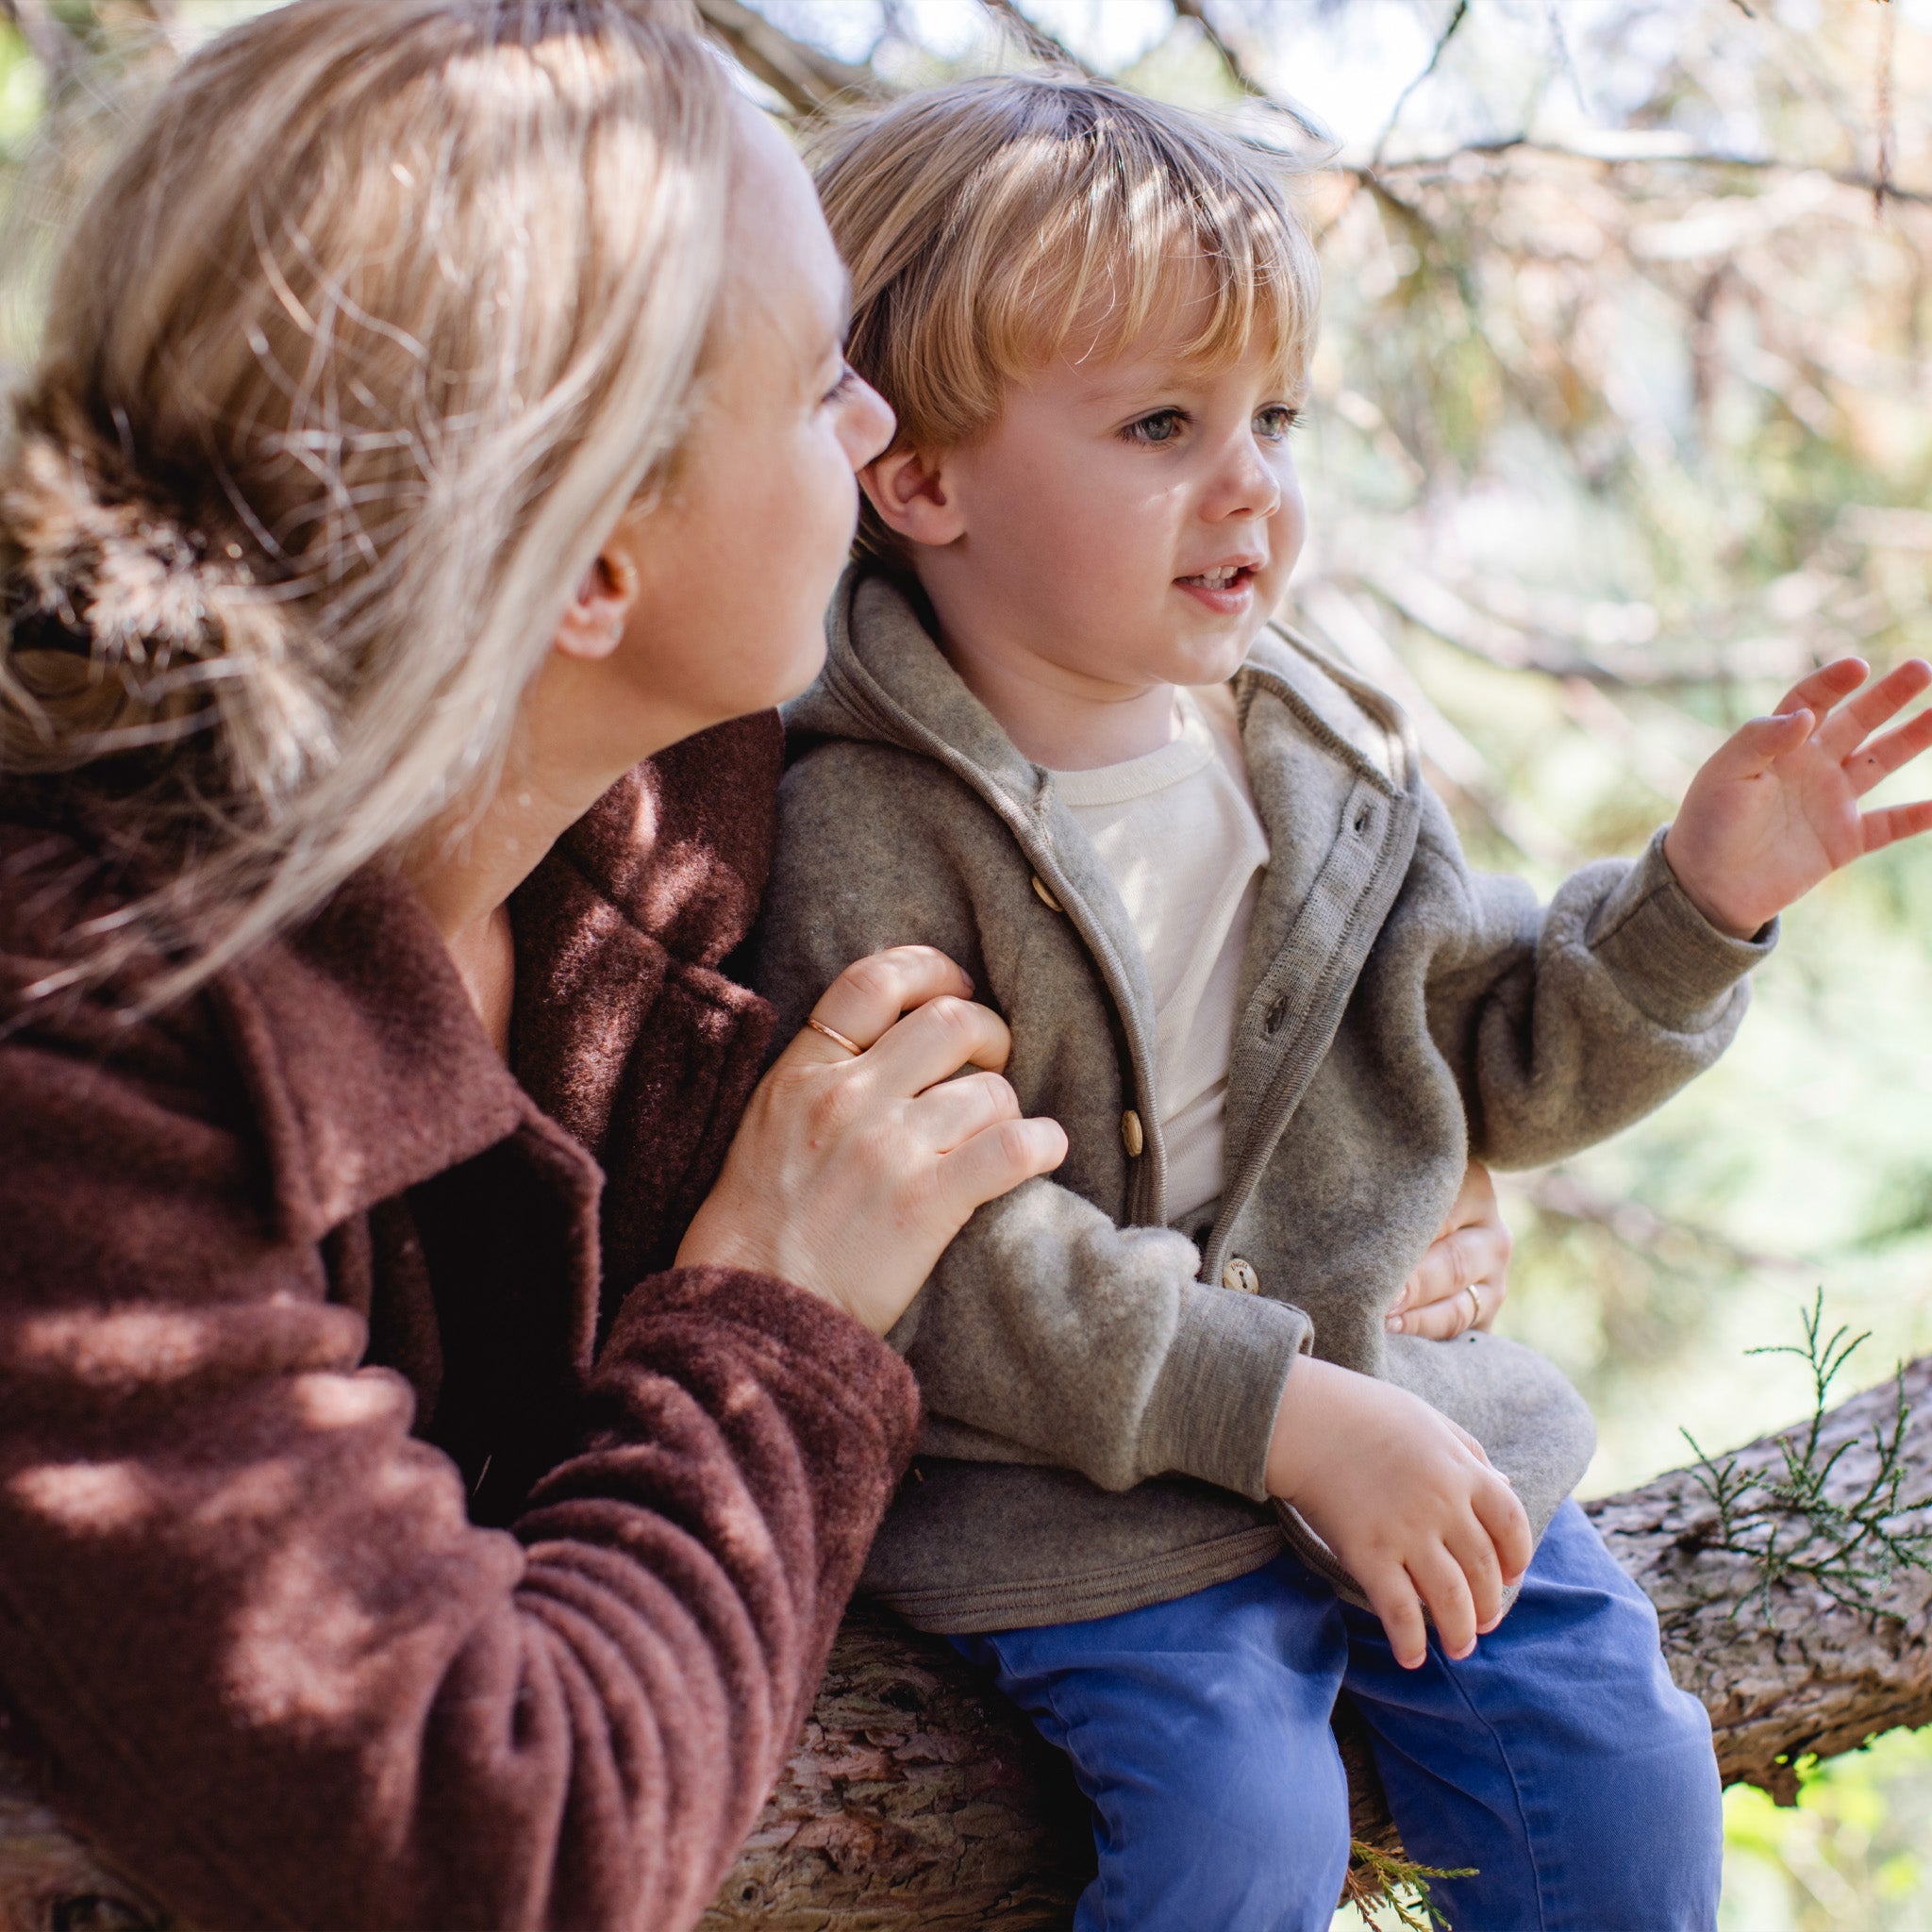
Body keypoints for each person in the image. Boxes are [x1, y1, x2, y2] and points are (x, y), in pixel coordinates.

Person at [752, 73, 1932, 1932]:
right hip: (1082, 1501)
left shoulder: (1325, 748)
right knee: (1236, 1838)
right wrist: (1284, 1413)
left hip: (1406, 1418)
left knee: (1617, 1783)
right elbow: (953, 1254)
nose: (1252, 487)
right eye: (1160, 423)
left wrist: (1695, 904)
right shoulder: (866, 819)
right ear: (917, 476)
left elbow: (1484, 1063)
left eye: (1274, 418)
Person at [0, 6, 1090, 1927]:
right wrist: (775, 1316)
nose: (871, 429)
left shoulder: (663, 763)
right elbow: (488, 1843)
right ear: (589, 559)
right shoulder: (73, 1064)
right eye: (817, 381)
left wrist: (1403, 1158)